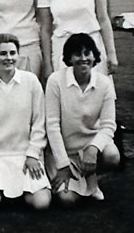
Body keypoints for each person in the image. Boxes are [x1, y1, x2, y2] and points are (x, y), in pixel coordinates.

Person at [0, 34, 51, 211]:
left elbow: (39, 124)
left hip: (25, 155)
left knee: (41, 204)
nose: (9, 58)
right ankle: (0, 192)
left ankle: (20, 192)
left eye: (13, 53)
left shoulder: (31, 82)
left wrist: (32, 154)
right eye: (3, 54)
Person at [45, 33, 120, 206]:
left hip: (89, 148)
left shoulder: (104, 83)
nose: (83, 59)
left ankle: (91, 179)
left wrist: (93, 149)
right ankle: (76, 179)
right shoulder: (55, 81)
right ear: (69, 58)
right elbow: (52, 125)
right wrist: (63, 165)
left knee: (112, 156)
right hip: (64, 152)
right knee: (67, 201)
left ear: (95, 57)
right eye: (77, 54)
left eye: (88, 53)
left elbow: (109, 125)